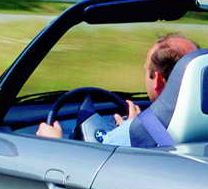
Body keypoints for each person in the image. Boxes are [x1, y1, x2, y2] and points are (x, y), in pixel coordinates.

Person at [35, 32, 199, 142]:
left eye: (146, 69)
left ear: (157, 80)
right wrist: (138, 125)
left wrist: (52, 144)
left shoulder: (132, 136)